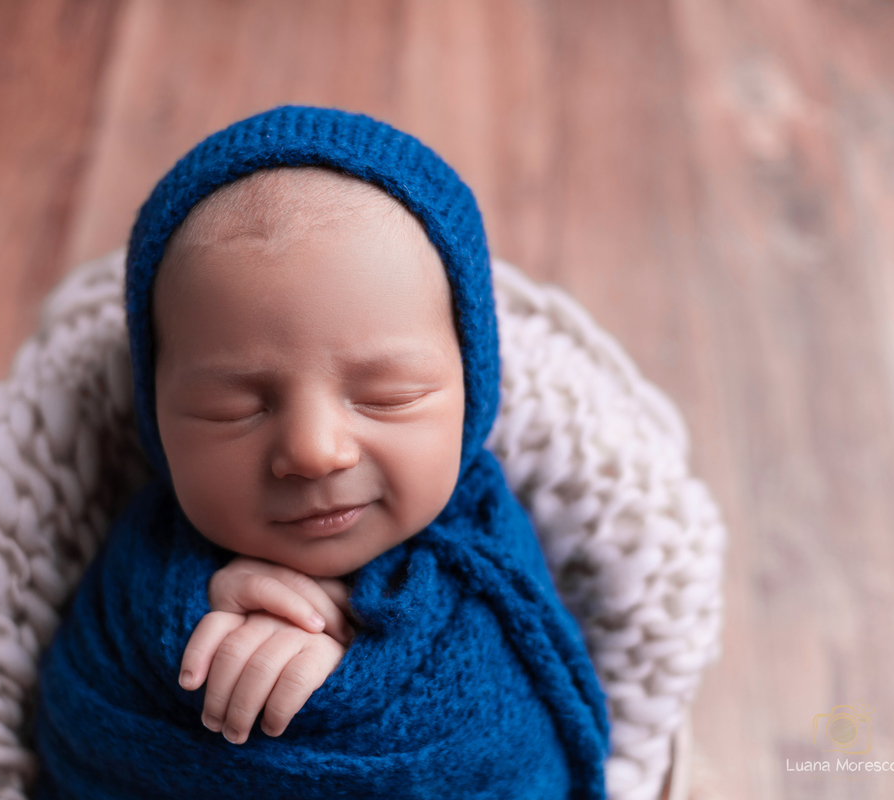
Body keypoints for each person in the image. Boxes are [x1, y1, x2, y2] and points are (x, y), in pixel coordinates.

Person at [33, 106, 610, 799]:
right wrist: (195, 630)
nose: (313, 451)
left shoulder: (486, 554)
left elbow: (532, 748)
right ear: (154, 413)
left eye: (388, 396)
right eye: (233, 407)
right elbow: (78, 728)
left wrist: (349, 653)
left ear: (472, 388)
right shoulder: (141, 571)